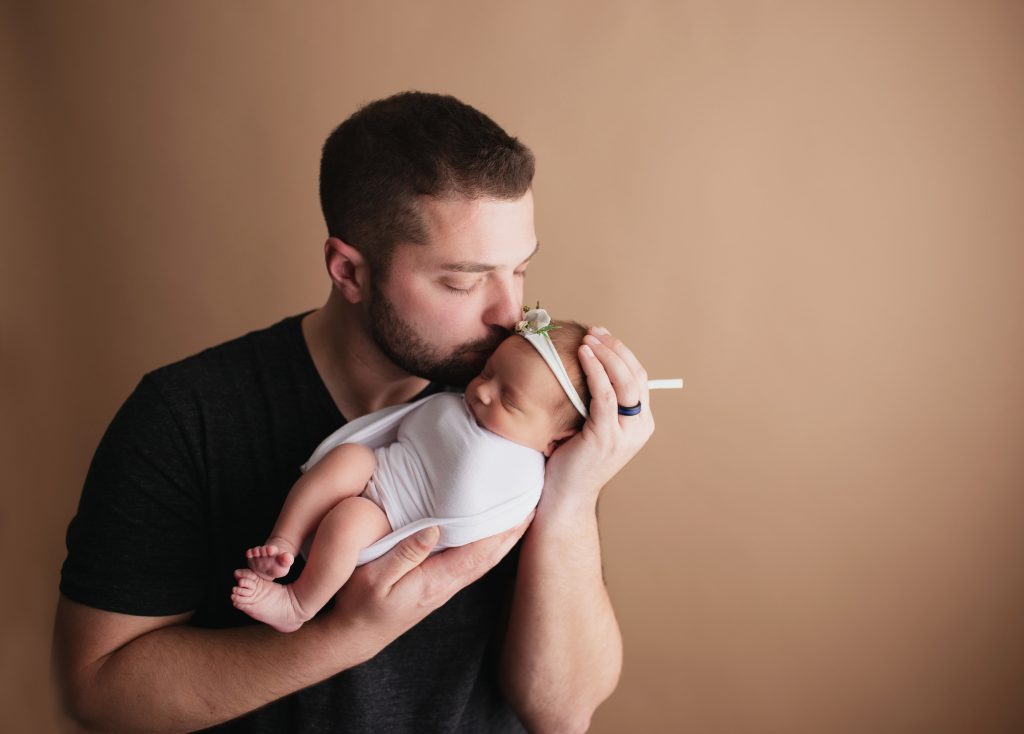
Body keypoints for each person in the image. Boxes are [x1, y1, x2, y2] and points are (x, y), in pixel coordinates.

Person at [54, 91, 655, 733]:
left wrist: (569, 497)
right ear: (349, 271)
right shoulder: (184, 416)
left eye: (521, 270)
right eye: (462, 280)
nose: (509, 315)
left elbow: (562, 711)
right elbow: (98, 693)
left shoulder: (528, 410)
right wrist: (340, 638)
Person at [231, 316, 590, 634]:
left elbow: (493, 520)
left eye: (509, 401)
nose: (481, 391)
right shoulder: (457, 403)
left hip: (389, 517)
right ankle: (283, 543)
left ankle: (298, 604)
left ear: (554, 441)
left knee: (347, 522)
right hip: (381, 465)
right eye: (487, 372)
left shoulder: (524, 472)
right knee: (348, 457)